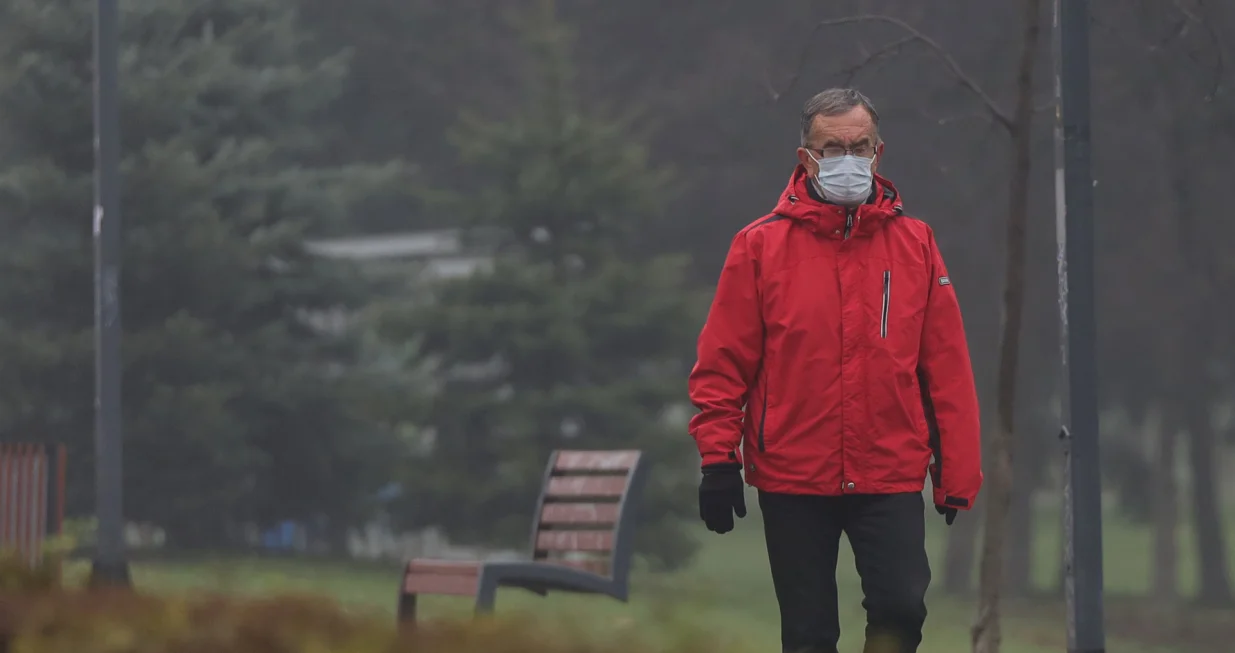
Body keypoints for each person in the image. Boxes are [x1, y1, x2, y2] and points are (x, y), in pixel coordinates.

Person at [687, 88, 983, 653]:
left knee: (901, 610)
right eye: (832, 146)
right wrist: (717, 459)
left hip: (889, 468)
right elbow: (723, 366)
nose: (848, 157)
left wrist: (958, 471)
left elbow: (945, 366)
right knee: (807, 634)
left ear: (878, 151)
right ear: (806, 156)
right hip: (793, 471)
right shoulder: (759, 247)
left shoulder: (915, 245)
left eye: (859, 145)